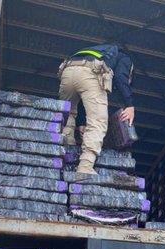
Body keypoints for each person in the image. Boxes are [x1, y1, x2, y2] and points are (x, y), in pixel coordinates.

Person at [58, 43, 135, 176]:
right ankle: (85, 167)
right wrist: (129, 105)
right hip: (91, 72)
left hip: (68, 70)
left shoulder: (99, 51)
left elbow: (82, 91)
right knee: (98, 122)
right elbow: (120, 78)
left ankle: (67, 151)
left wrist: (81, 122)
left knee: (68, 113)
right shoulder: (125, 58)